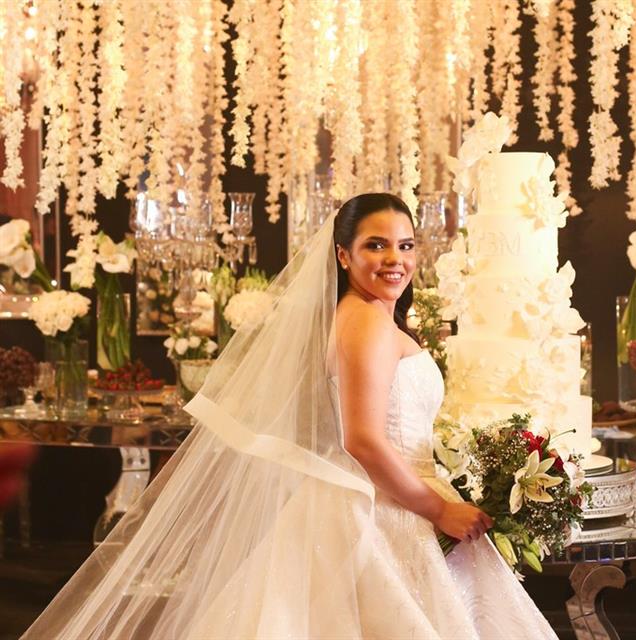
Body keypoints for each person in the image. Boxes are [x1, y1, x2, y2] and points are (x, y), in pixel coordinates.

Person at [23, 194, 557, 639]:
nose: (394, 258)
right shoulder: (365, 324)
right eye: (375, 245)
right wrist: (438, 509)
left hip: (385, 497)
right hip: (381, 508)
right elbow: (363, 440)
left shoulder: (366, 316)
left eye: (405, 245)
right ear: (343, 255)